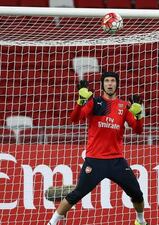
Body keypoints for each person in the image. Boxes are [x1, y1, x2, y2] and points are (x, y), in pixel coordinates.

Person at [47, 72, 147, 225]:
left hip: (116, 161)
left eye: (113, 81)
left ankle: (140, 220)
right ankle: (52, 222)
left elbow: (138, 130)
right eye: (106, 81)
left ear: (117, 84)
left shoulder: (124, 106)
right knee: (77, 194)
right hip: (95, 161)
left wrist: (139, 115)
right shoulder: (94, 102)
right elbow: (75, 118)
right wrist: (80, 102)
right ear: (102, 84)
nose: (110, 84)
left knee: (137, 194)